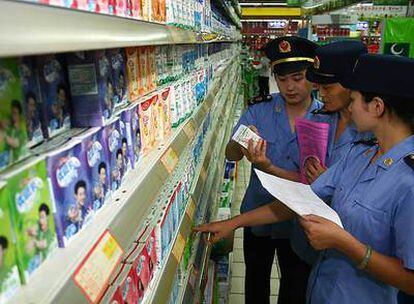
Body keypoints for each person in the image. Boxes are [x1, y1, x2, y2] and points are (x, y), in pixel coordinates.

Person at [195, 54, 414, 303]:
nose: (349, 107)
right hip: (321, 290)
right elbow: (303, 198)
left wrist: (345, 243)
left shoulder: (408, 180)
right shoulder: (360, 155)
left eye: (353, 100)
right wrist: (234, 222)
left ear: (377, 106)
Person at [225, 36, 330, 304]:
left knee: (294, 288)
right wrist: (242, 143)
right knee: (255, 284)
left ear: (312, 77)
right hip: (256, 215)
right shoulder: (259, 109)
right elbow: (230, 154)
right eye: (283, 80)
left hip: (300, 221)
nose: (290, 87)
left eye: (297, 78)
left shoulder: (326, 118)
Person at [304, 41, 370, 184]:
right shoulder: (317, 118)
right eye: (319, 87)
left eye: (327, 88)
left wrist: (330, 183)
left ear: (351, 85)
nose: (321, 94)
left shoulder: (373, 132)